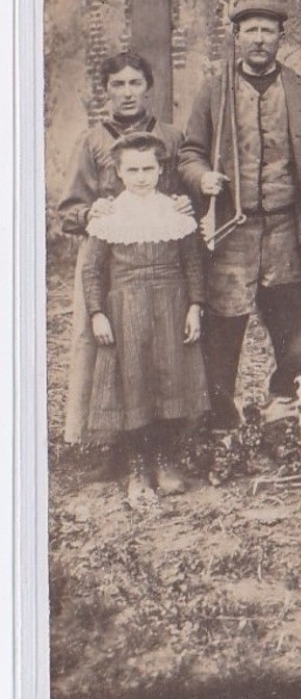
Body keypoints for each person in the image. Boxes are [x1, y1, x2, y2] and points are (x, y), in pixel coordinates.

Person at [179, 2, 301, 437]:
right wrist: (203, 176)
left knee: (291, 329)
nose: (260, 39)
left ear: (280, 38)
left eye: (268, 30)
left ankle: (282, 413)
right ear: (237, 38)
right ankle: (222, 421)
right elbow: (189, 153)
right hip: (233, 228)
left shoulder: (300, 90)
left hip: (288, 227)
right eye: (251, 30)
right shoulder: (215, 90)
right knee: (225, 325)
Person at [59, 51, 188, 449]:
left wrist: (187, 202)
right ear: (107, 91)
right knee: (98, 337)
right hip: (108, 258)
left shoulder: (170, 137)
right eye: (118, 84)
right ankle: (99, 440)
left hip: (162, 262)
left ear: (149, 87)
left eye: (135, 83)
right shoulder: (93, 141)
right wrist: (88, 211)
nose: (127, 93)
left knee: (165, 342)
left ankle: (168, 438)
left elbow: (187, 192)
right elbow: (68, 211)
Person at [81, 133, 209, 506]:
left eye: (148, 168)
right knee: (134, 383)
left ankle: (164, 460)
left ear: (160, 169)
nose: (141, 177)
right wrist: (97, 313)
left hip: (171, 304)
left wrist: (195, 306)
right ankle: (138, 466)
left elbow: (193, 264)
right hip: (127, 310)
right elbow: (92, 271)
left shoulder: (174, 212)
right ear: (119, 173)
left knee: (169, 379)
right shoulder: (110, 216)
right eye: (132, 170)